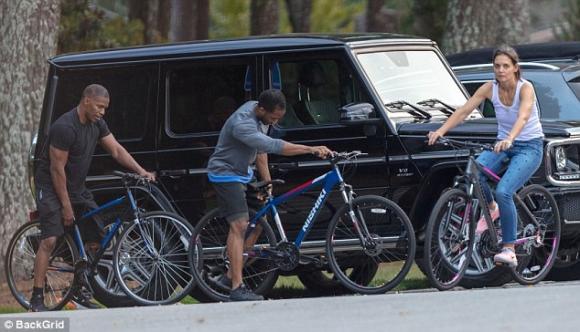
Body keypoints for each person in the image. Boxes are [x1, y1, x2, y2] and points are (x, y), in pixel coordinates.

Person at [29, 84, 156, 312]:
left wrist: (141, 171)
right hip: (50, 186)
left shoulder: (97, 124)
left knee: (95, 237)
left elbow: (116, 150)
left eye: (105, 108)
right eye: (99, 106)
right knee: (50, 240)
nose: (102, 112)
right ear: (86, 100)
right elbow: (57, 170)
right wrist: (66, 207)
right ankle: (36, 298)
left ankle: (79, 291)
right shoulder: (65, 127)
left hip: (76, 187)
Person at [207, 89, 332, 301]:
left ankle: (229, 276)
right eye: (273, 118)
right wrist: (310, 149)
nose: (274, 123)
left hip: (243, 173)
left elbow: (260, 153)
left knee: (259, 222)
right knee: (239, 226)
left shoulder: (260, 112)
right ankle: (237, 288)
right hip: (225, 174)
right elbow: (272, 146)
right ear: (261, 109)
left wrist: (267, 183)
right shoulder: (242, 123)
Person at [427, 45, 544, 268]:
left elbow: (523, 116)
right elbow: (464, 110)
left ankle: (509, 249)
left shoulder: (525, 88)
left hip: (529, 146)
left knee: (504, 191)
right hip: (503, 145)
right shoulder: (490, 88)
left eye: (506, 66)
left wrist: (510, 137)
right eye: (497, 66)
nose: (501, 70)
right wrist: (441, 131)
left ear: (515, 68)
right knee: (475, 174)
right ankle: (492, 209)